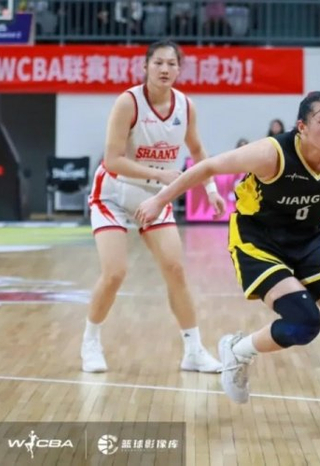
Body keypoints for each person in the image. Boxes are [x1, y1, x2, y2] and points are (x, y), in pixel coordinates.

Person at [135, 86, 320, 424]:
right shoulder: (271, 154)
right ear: (302, 127)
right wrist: (159, 200)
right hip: (259, 241)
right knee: (304, 323)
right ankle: (238, 350)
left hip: (308, 240)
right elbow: (210, 167)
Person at [83, 40, 225, 374]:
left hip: (154, 197)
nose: (164, 69)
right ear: (145, 66)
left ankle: (193, 350)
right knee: (115, 273)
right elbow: (112, 160)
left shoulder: (186, 106)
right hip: (113, 194)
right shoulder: (128, 102)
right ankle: (90, 341)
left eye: (171, 64)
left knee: (175, 270)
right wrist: (161, 175)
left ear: (179, 69)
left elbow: (198, 150)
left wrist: (210, 188)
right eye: (158, 63)